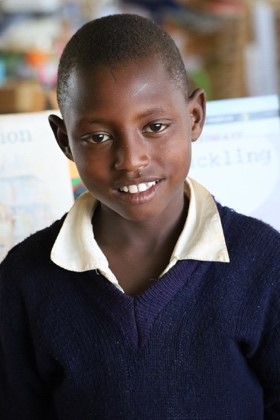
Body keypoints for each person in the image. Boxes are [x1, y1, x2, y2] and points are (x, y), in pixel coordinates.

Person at [0, 13, 280, 420]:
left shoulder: (263, 263)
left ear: (195, 117)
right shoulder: (24, 279)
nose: (131, 160)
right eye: (98, 137)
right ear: (64, 140)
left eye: (155, 126)